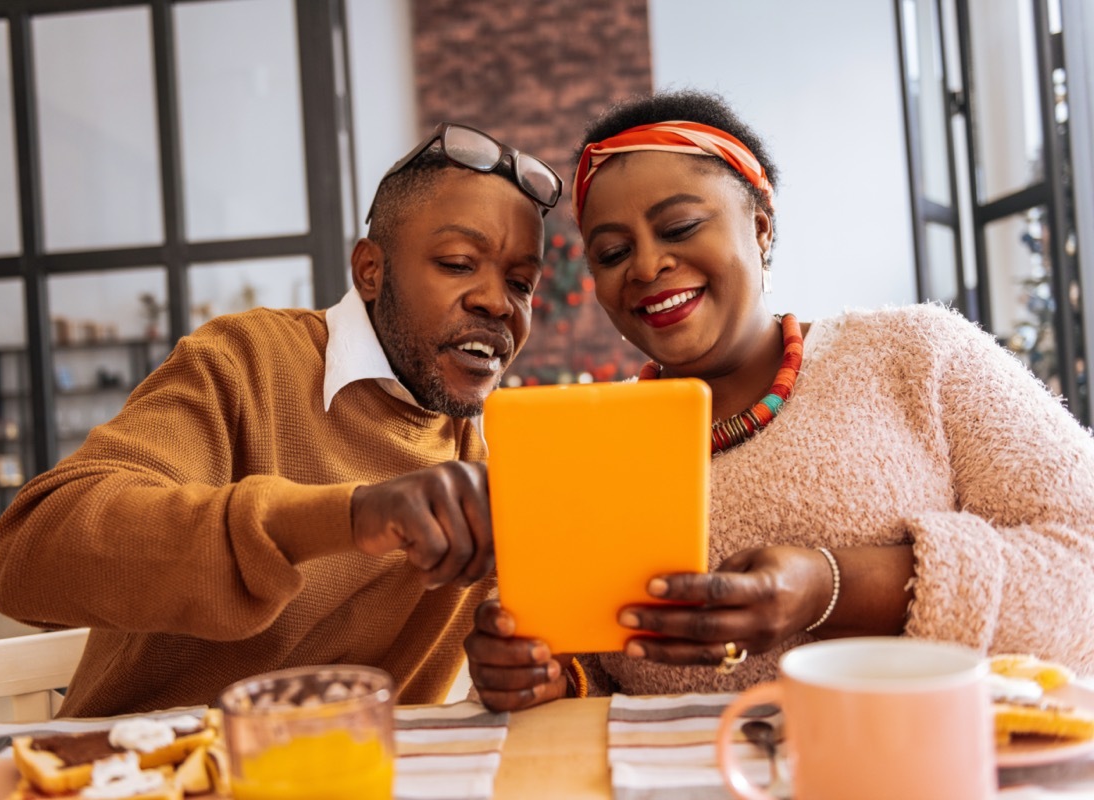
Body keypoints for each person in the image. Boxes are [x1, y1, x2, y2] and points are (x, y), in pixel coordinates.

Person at [464, 89, 1094, 711]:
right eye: (613, 253)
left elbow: (1081, 561)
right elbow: (594, 672)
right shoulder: (593, 444)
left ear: (761, 227)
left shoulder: (916, 353)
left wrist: (831, 587)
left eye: (679, 227)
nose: (648, 266)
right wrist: (547, 677)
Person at [0, 122, 561, 717]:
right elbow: (29, 555)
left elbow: (558, 639)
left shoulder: (496, 451)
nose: (498, 302)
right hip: (147, 759)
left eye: (521, 283)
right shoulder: (246, 361)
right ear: (370, 271)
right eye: (458, 263)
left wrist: (537, 672)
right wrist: (351, 516)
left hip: (353, 764)